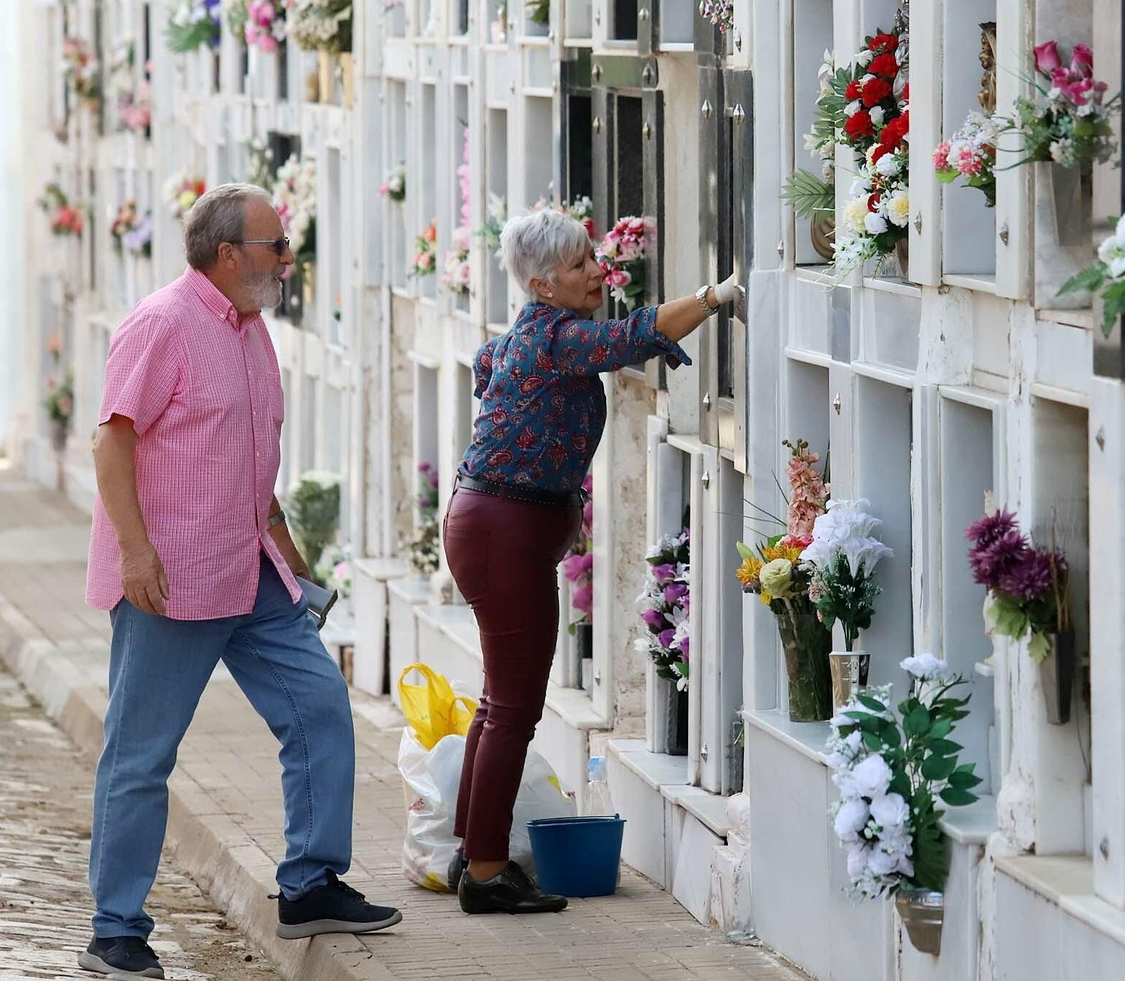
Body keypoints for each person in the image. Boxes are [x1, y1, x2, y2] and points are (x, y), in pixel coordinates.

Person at [78, 184, 401, 979]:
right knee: (142, 755)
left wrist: (290, 553)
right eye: (276, 247)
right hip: (170, 577)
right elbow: (109, 442)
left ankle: (311, 883)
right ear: (229, 255)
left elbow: (251, 456)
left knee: (322, 708)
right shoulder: (162, 324)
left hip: (251, 570)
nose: (288, 260)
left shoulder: (254, 331)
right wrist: (135, 552)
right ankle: (115, 929)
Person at [443, 209, 740, 914]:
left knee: (497, 702)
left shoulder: (520, 339)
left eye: (590, 257)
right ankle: (486, 872)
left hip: (490, 524)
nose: (594, 271)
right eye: (579, 264)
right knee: (514, 709)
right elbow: (635, 335)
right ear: (543, 282)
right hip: (506, 533)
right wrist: (717, 295)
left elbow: (490, 371)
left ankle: (470, 848)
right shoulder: (556, 338)